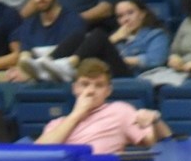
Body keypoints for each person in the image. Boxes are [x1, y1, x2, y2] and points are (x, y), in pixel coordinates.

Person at [37, 57, 170, 151]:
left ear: (108, 91)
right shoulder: (57, 124)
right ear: (75, 89)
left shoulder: (120, 111)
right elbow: (37, 154)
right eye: (85, 84)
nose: (91, 91)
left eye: (99, 85)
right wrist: (76, 115)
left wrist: (153, 119)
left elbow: (152, 142)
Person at [10, 0, 88, 82]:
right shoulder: (28, 25)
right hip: (36, 79)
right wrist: (22, 70)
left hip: (65, 78)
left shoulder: (74, 21)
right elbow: (25, 56)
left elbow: (70, 60)